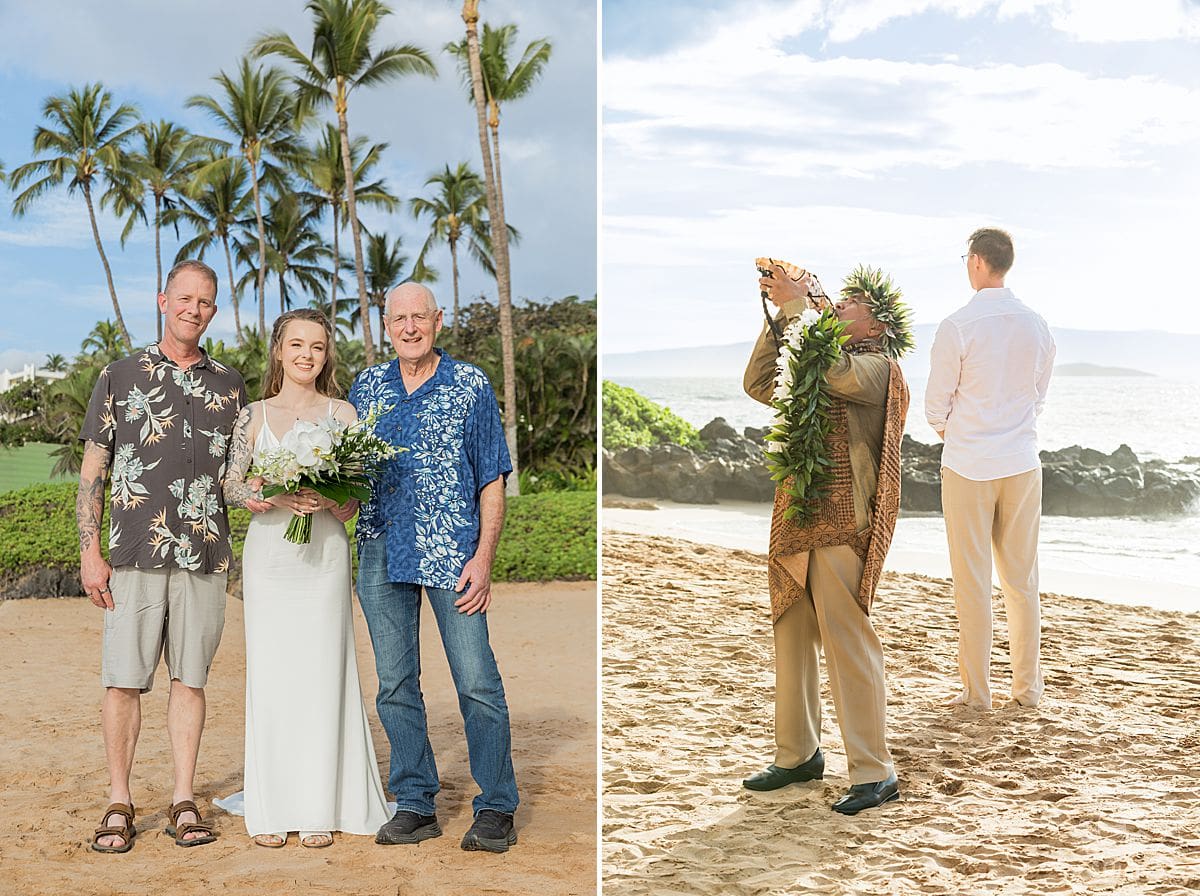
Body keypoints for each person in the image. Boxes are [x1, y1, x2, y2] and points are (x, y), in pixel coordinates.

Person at [79, 260, 245, 852]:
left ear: (214, 311)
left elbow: (236, 479)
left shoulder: (232, 386)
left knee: (190, 681)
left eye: (204, 302)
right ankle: (119, 800)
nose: (192, 309)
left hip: (204, 554)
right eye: (183, 298)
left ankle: (182, 797)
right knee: (123, 681)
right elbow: (94, 467)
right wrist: (89, 551)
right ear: (161, 300)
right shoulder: (119, 375)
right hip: (132, 552)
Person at [349, 282, 519, 853]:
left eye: (419, 317)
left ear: (438, 321)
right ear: (387, 324)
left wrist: (484, 558)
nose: (410, 328)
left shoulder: (471, 385)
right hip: (380, 550)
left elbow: (491, 477)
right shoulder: (367, 387)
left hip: (453, 553)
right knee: (395, 685)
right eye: (399, 319)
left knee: (476, 682)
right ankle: (416, 802)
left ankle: (496, 806)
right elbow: (350, 476)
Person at [741, 261, 913, 815]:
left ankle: (874, 769)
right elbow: (759, 383)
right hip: (798, 513)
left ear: (877, 327)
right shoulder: (812, 356)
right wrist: (779, 312)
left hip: (844, 521)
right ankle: (797, 755)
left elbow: (834, 372)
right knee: (790, 632)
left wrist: (802, 306)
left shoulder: (879, 369)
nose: (837, 307)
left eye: (849, 305)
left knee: (846, 639)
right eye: (833, 302)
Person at [221, 308, 390, 848]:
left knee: (323, 672)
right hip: (271, 556)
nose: (306, 355)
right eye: (296, 345)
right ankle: (273, 804)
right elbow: (230, 486)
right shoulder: (252, 414)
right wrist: (268, 494)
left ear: (326, 355)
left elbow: (359, 494)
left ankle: (320, 804)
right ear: (278, 350)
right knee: (273, 675)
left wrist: (334, 499)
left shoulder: (343, 413)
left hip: (324, 557)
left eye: (316, 347)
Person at [925, 228, 1055, 710]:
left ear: (978, 262)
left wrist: (962, 434)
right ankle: (1027, 691)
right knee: (1022, 581)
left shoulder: (957, 325)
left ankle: (978, 693)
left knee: (973, 581)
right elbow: (1038, 396)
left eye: (966, 258)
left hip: (968, 465)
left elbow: (935, 405)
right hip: (1021, 463)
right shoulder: (1037, 324)